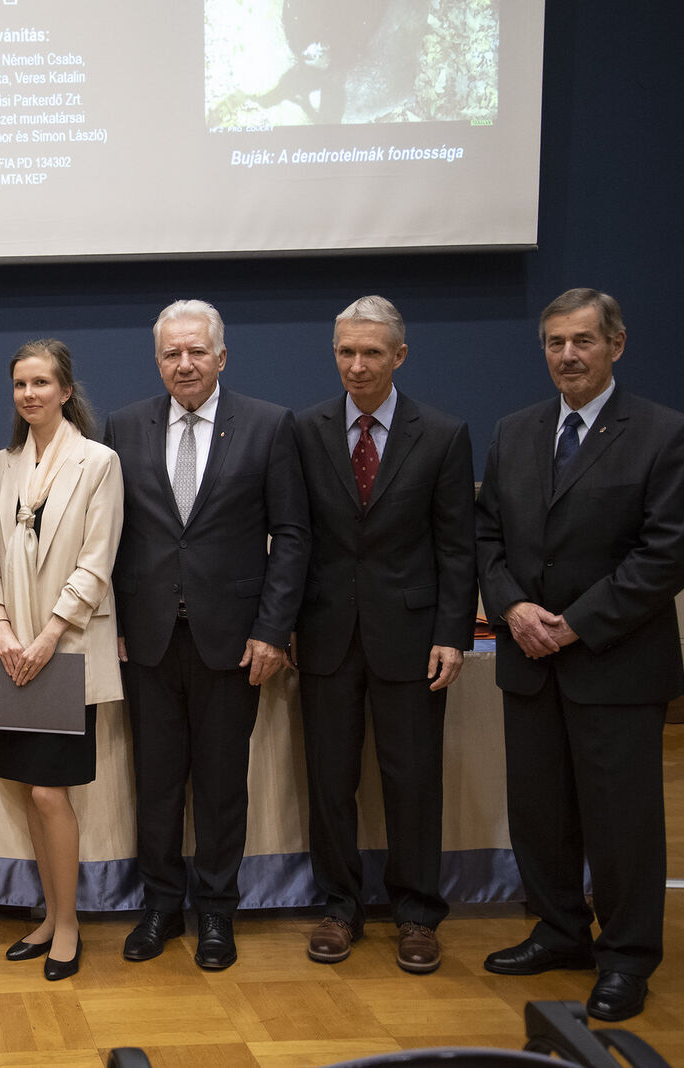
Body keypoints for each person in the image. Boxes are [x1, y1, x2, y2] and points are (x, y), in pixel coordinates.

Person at [476, 288, 684, 1022]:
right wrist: (511, 607)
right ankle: (560, 930)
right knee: (540, 814)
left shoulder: (663, 434)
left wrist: (570, 624)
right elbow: (487, 539)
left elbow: (664, 557)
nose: (566, 355)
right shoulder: (515, 432)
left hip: (614, 664)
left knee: (622, 822)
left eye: (581, 341)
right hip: (529, 661)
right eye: (553, 343)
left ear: (616, 345)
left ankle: (628, 956)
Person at [103, 299, 310, 971]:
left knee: (222, 787)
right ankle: (161, 905)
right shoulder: (125, 427)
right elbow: (114, 539)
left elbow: (294, 537)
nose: (184, 363)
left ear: (221, 356)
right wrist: (117, 627)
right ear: (157, 360)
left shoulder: (270, 426)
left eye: (197, 351)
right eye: (171, 353)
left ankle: (218, 911)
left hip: (234, 643)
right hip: (149, 643)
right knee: (156, 784)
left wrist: (274, 630)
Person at [292, 296, 476, 972]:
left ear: (399, 355)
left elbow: (458, 546)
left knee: (412, 781)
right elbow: (295, 536)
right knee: (330, 782)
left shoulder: (444, 433)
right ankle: (339, 907)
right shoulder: (305, 429)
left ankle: (418, 915)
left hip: (413, 635)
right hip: (326, 636)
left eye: (372, 353)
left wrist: (453, 632)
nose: (358, 365)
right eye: (346, 351)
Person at [0, 339, 123, 981]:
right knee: (29, 795)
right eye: (19, 385)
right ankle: (46, 915)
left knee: (50, 793)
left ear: (66, 390)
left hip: (64, 652)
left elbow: (97, 561)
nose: (29, 394)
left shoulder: (99, 462)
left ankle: (68, 926)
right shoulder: (3, 464)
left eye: (41, 383)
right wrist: (2, 625)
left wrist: (46, 637)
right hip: (11, 652)